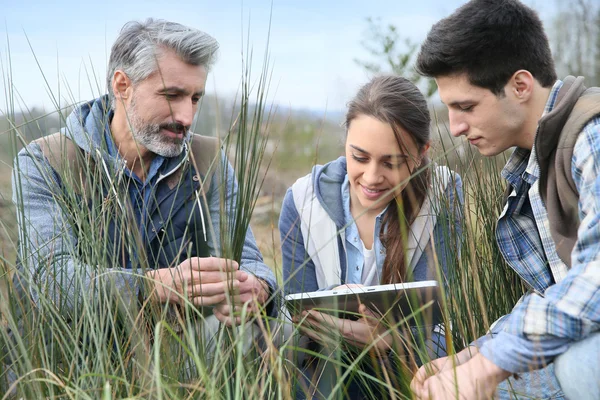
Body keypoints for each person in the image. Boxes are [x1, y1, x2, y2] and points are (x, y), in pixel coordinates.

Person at [11, 19, 276, 364]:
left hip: (176, 355)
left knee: (277, 330)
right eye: (172, 95)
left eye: (195, 98)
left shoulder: (209, 160)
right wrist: (158, 285)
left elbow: (248, 259)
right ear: (123, 85)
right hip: (70, 361)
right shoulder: (45, 161)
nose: (186, 116)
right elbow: (50, 280)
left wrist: (258, 287)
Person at [410, 1, 600, 399]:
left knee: (580, 366)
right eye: (449, 108)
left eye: (466, 107)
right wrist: (474, 354)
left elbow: (596, 280)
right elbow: (561, 294)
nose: (456, 127)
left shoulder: (592, 137)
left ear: (520, 85)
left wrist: (487, 369)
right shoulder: (533, 170)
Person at [279, 75, 463, 398]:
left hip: (409, 378)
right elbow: (293, 329)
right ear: (346, 141)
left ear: (422, 153)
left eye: (391, 163)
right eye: (359, 157)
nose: (372, 177)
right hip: (323, 374)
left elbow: (439, 328)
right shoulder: (301, 201)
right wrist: (338, 324)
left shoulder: (443, 197)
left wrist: (390, 343)